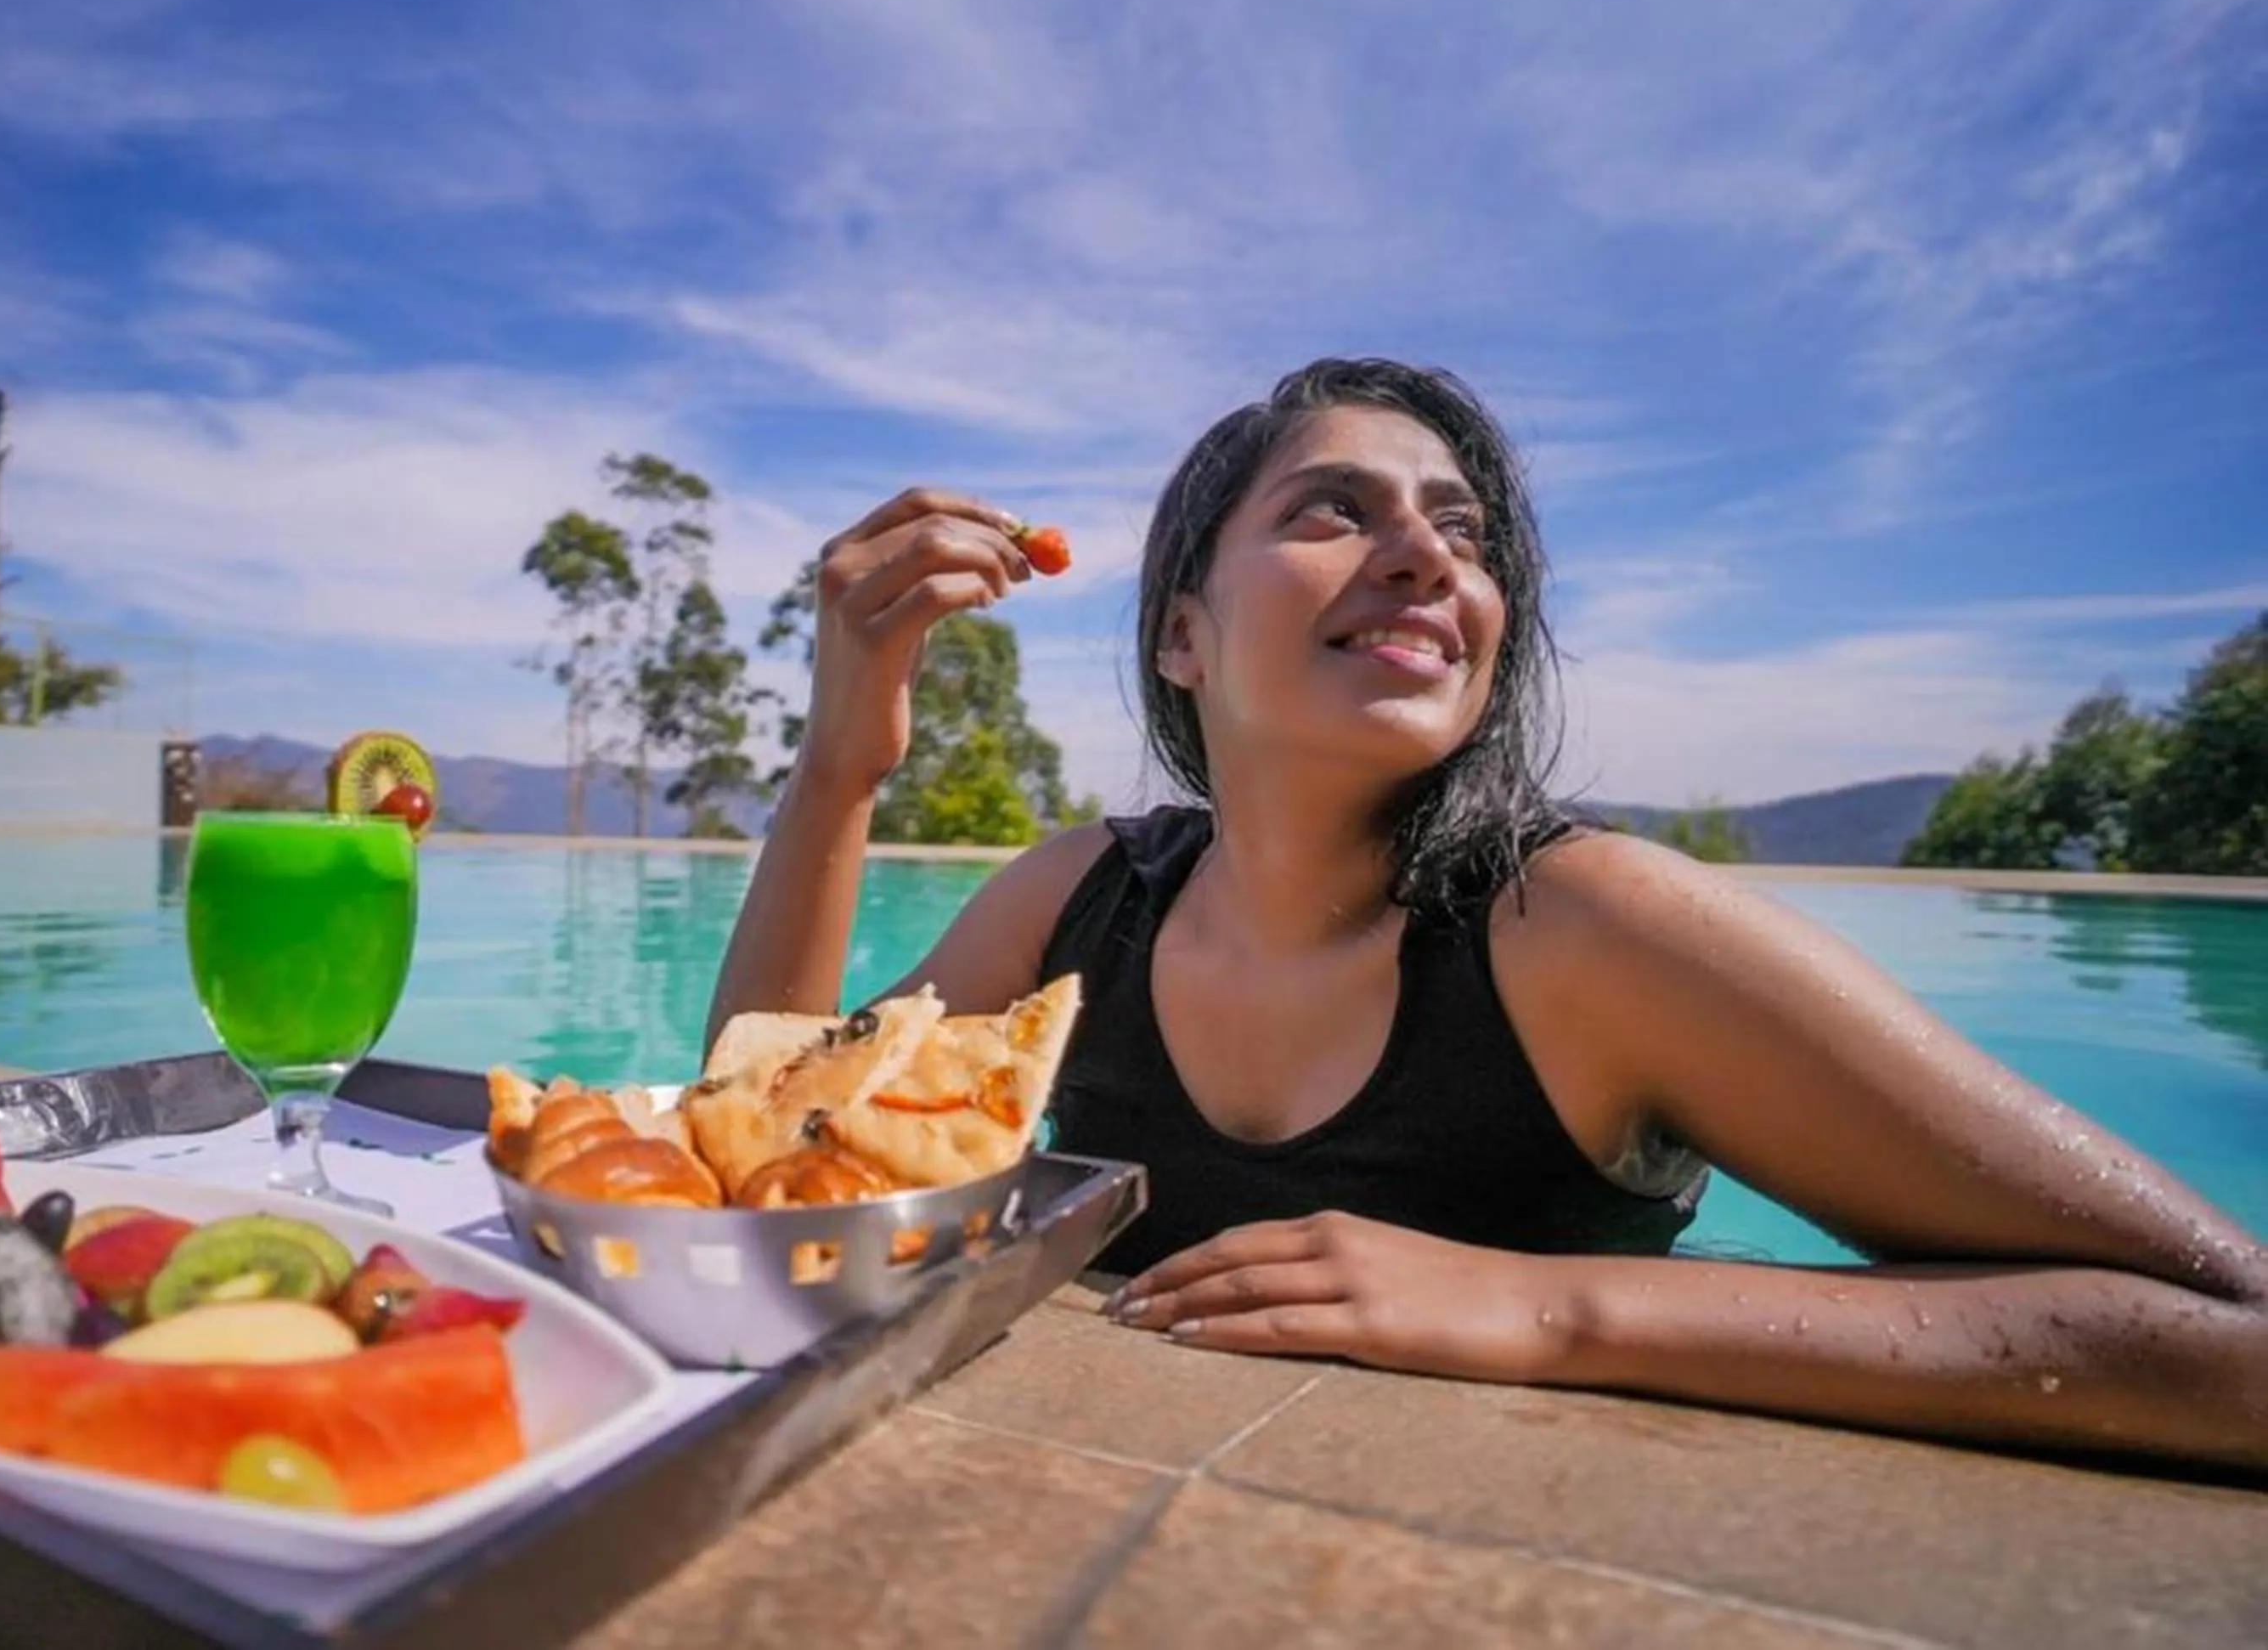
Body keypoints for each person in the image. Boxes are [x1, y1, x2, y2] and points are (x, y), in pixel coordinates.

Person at [706, 356, 2268, 1473]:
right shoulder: (1081, 900)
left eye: (1463, 532)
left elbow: (2235, 1345)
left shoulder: (1594, 933)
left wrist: (1551, 1305)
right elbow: (751, 1144)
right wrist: (845, 759)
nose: (1424, 558)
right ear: (1182, 635)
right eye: (1334, 510)